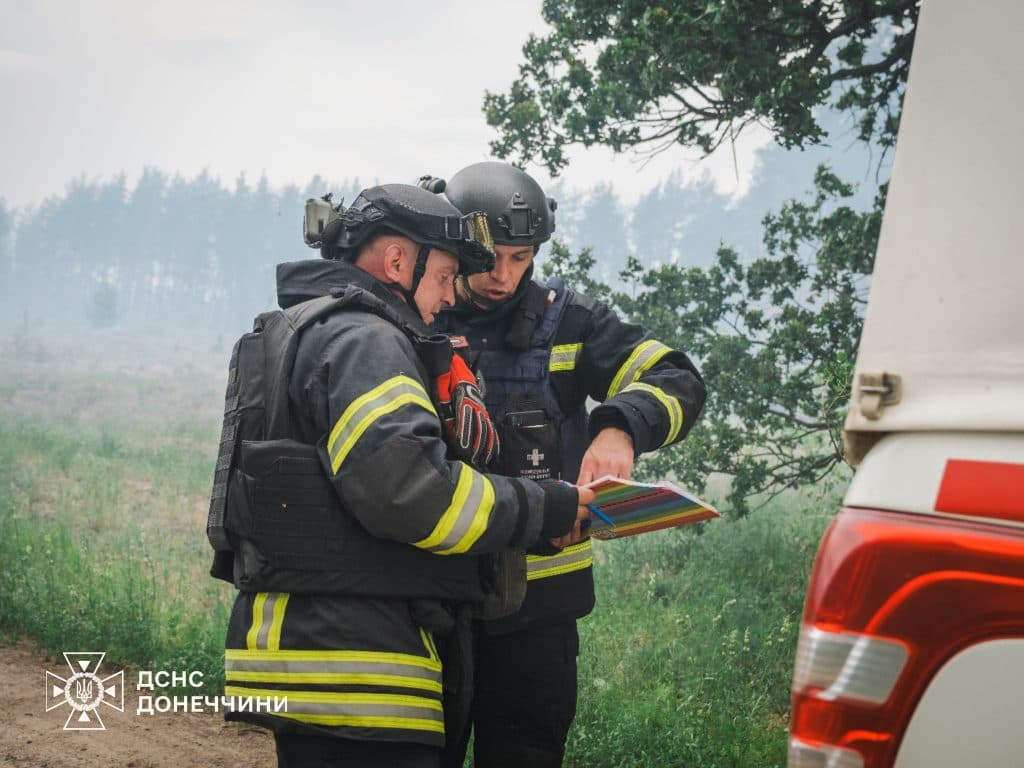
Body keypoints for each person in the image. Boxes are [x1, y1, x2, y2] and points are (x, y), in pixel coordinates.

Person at [209, 183, 594, 768]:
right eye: (442, 276)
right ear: (396, 262)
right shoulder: (367, 340)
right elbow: (412, 492)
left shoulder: (307, 327)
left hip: (319, 657)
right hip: (359, 672)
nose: (446, 300)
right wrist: (548, 508)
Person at [429, 162, 708, 768]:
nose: (504, 276)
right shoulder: (417, 314)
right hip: (430, 601)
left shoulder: (573, 323)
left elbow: (678, 379)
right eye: (490, 258)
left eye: (521, 258)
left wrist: (620, 425)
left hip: (540, 608)